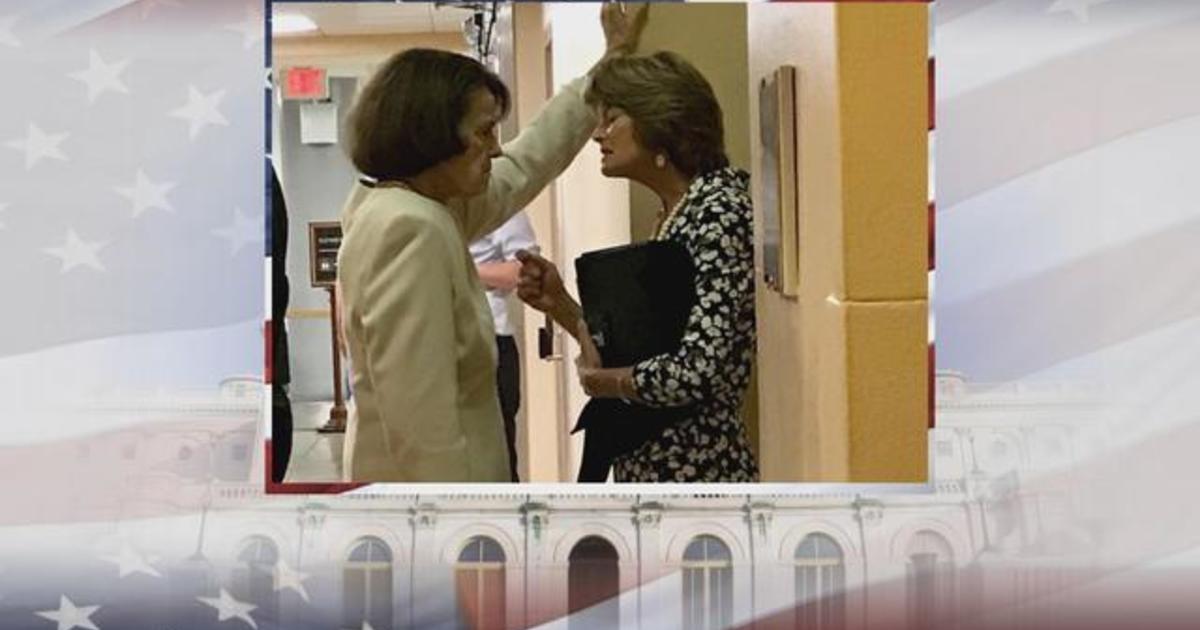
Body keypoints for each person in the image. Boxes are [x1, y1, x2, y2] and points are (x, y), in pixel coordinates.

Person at [335, 4, 647, 482]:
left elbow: (526, 164)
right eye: (483, 132)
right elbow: (423, 430)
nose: (496, 147)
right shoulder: (410, 228)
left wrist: (610, 62)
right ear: (431, 136)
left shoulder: (417, 206)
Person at [516, 51, 760, 482]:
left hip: (699, 476)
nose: (597, 135)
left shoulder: (720, 209)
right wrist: (562, 307)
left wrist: (604, 384)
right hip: (659, 470)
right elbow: (647, 348)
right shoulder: (677, 210)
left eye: (611, 120)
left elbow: (696, 371)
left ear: (660, 121)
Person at [470, 213, 540, 482]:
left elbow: (524, 270)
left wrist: (458, 269)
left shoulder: (495, 200)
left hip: (491, 339)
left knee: (495, 458)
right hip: (432, 344)